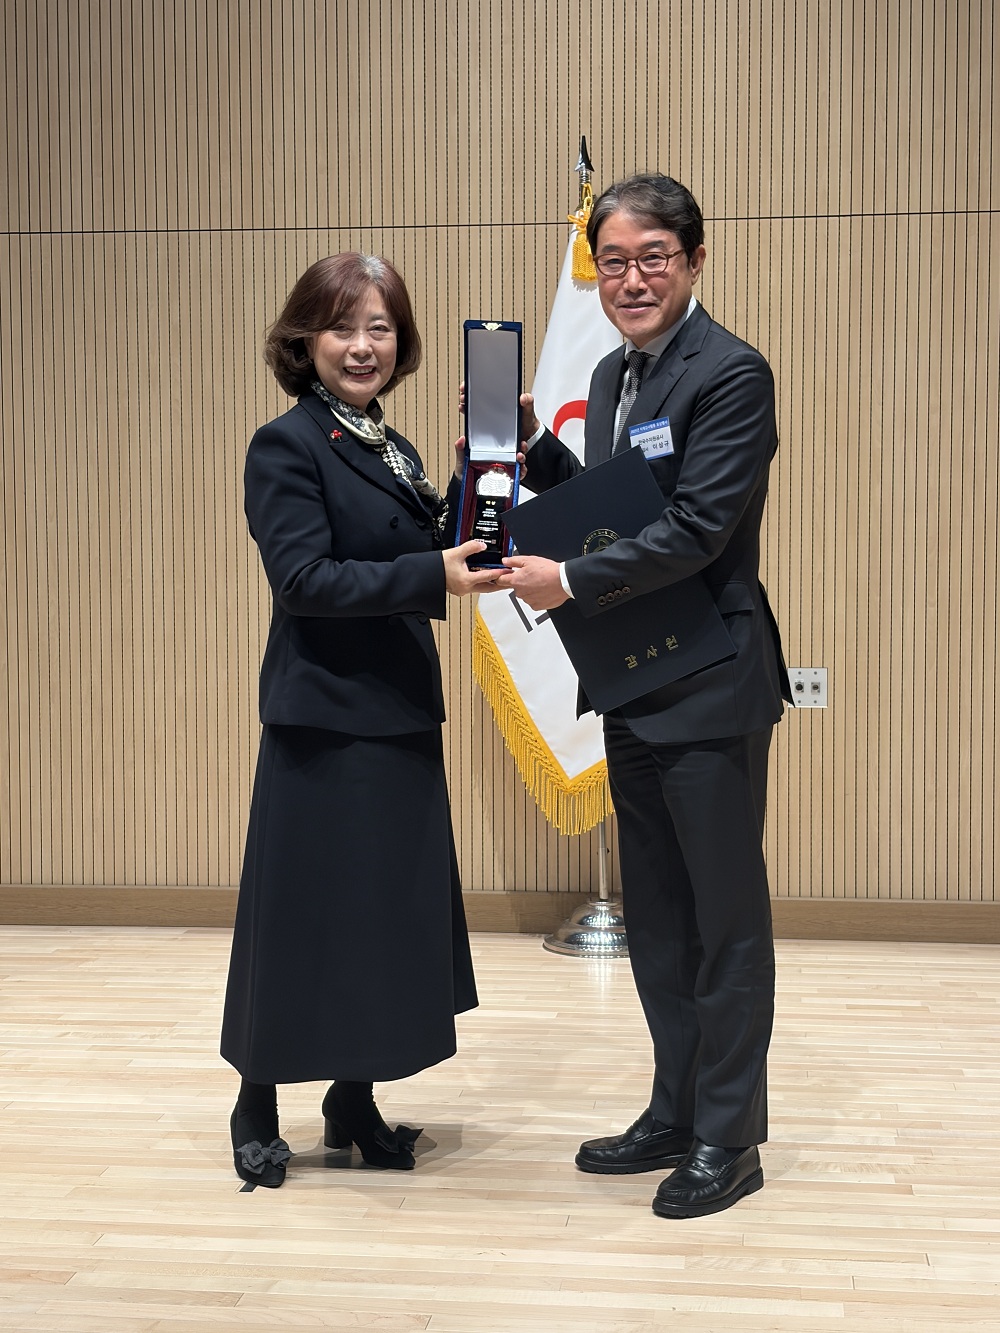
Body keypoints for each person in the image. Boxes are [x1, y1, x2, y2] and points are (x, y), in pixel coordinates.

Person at [496, 174, 791, 1218]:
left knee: (724, 921)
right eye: (612, 261)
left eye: (652, 256)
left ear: (695, 261)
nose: (630, 279)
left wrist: (566, 581)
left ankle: (729, 1135)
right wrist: (533, 449)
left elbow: (695, 528)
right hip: (633, 678)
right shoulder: (623, 376)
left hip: (709, 680)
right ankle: (674, 1106)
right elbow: (618, 507)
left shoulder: (730, 372)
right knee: (661, 922)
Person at [220, 253, 499, 1188]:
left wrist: (475, 484)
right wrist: (435, 574)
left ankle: (353, 1096)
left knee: (382, 918)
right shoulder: (287, 444)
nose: (362, 345)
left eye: (380, 327)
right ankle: (255, 1100)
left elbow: (418, 544)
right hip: (324, 721)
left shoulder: (389, 444)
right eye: (343, 326)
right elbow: (304, 583)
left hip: (399, 714)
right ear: (305, 339)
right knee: (301, 917)